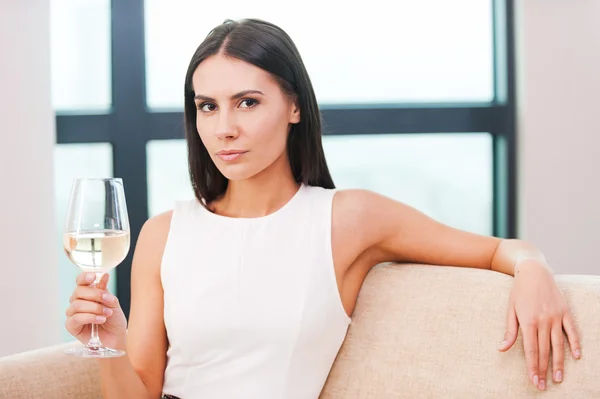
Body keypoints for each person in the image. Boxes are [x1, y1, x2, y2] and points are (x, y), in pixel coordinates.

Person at [65, 18, 581, 398]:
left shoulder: (346, 220)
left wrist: (532, 267)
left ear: (293, 106)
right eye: (207, 106)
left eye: (247, 102)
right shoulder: (164, 234)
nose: (224, 127)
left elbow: (497, 249)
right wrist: (111, 340)